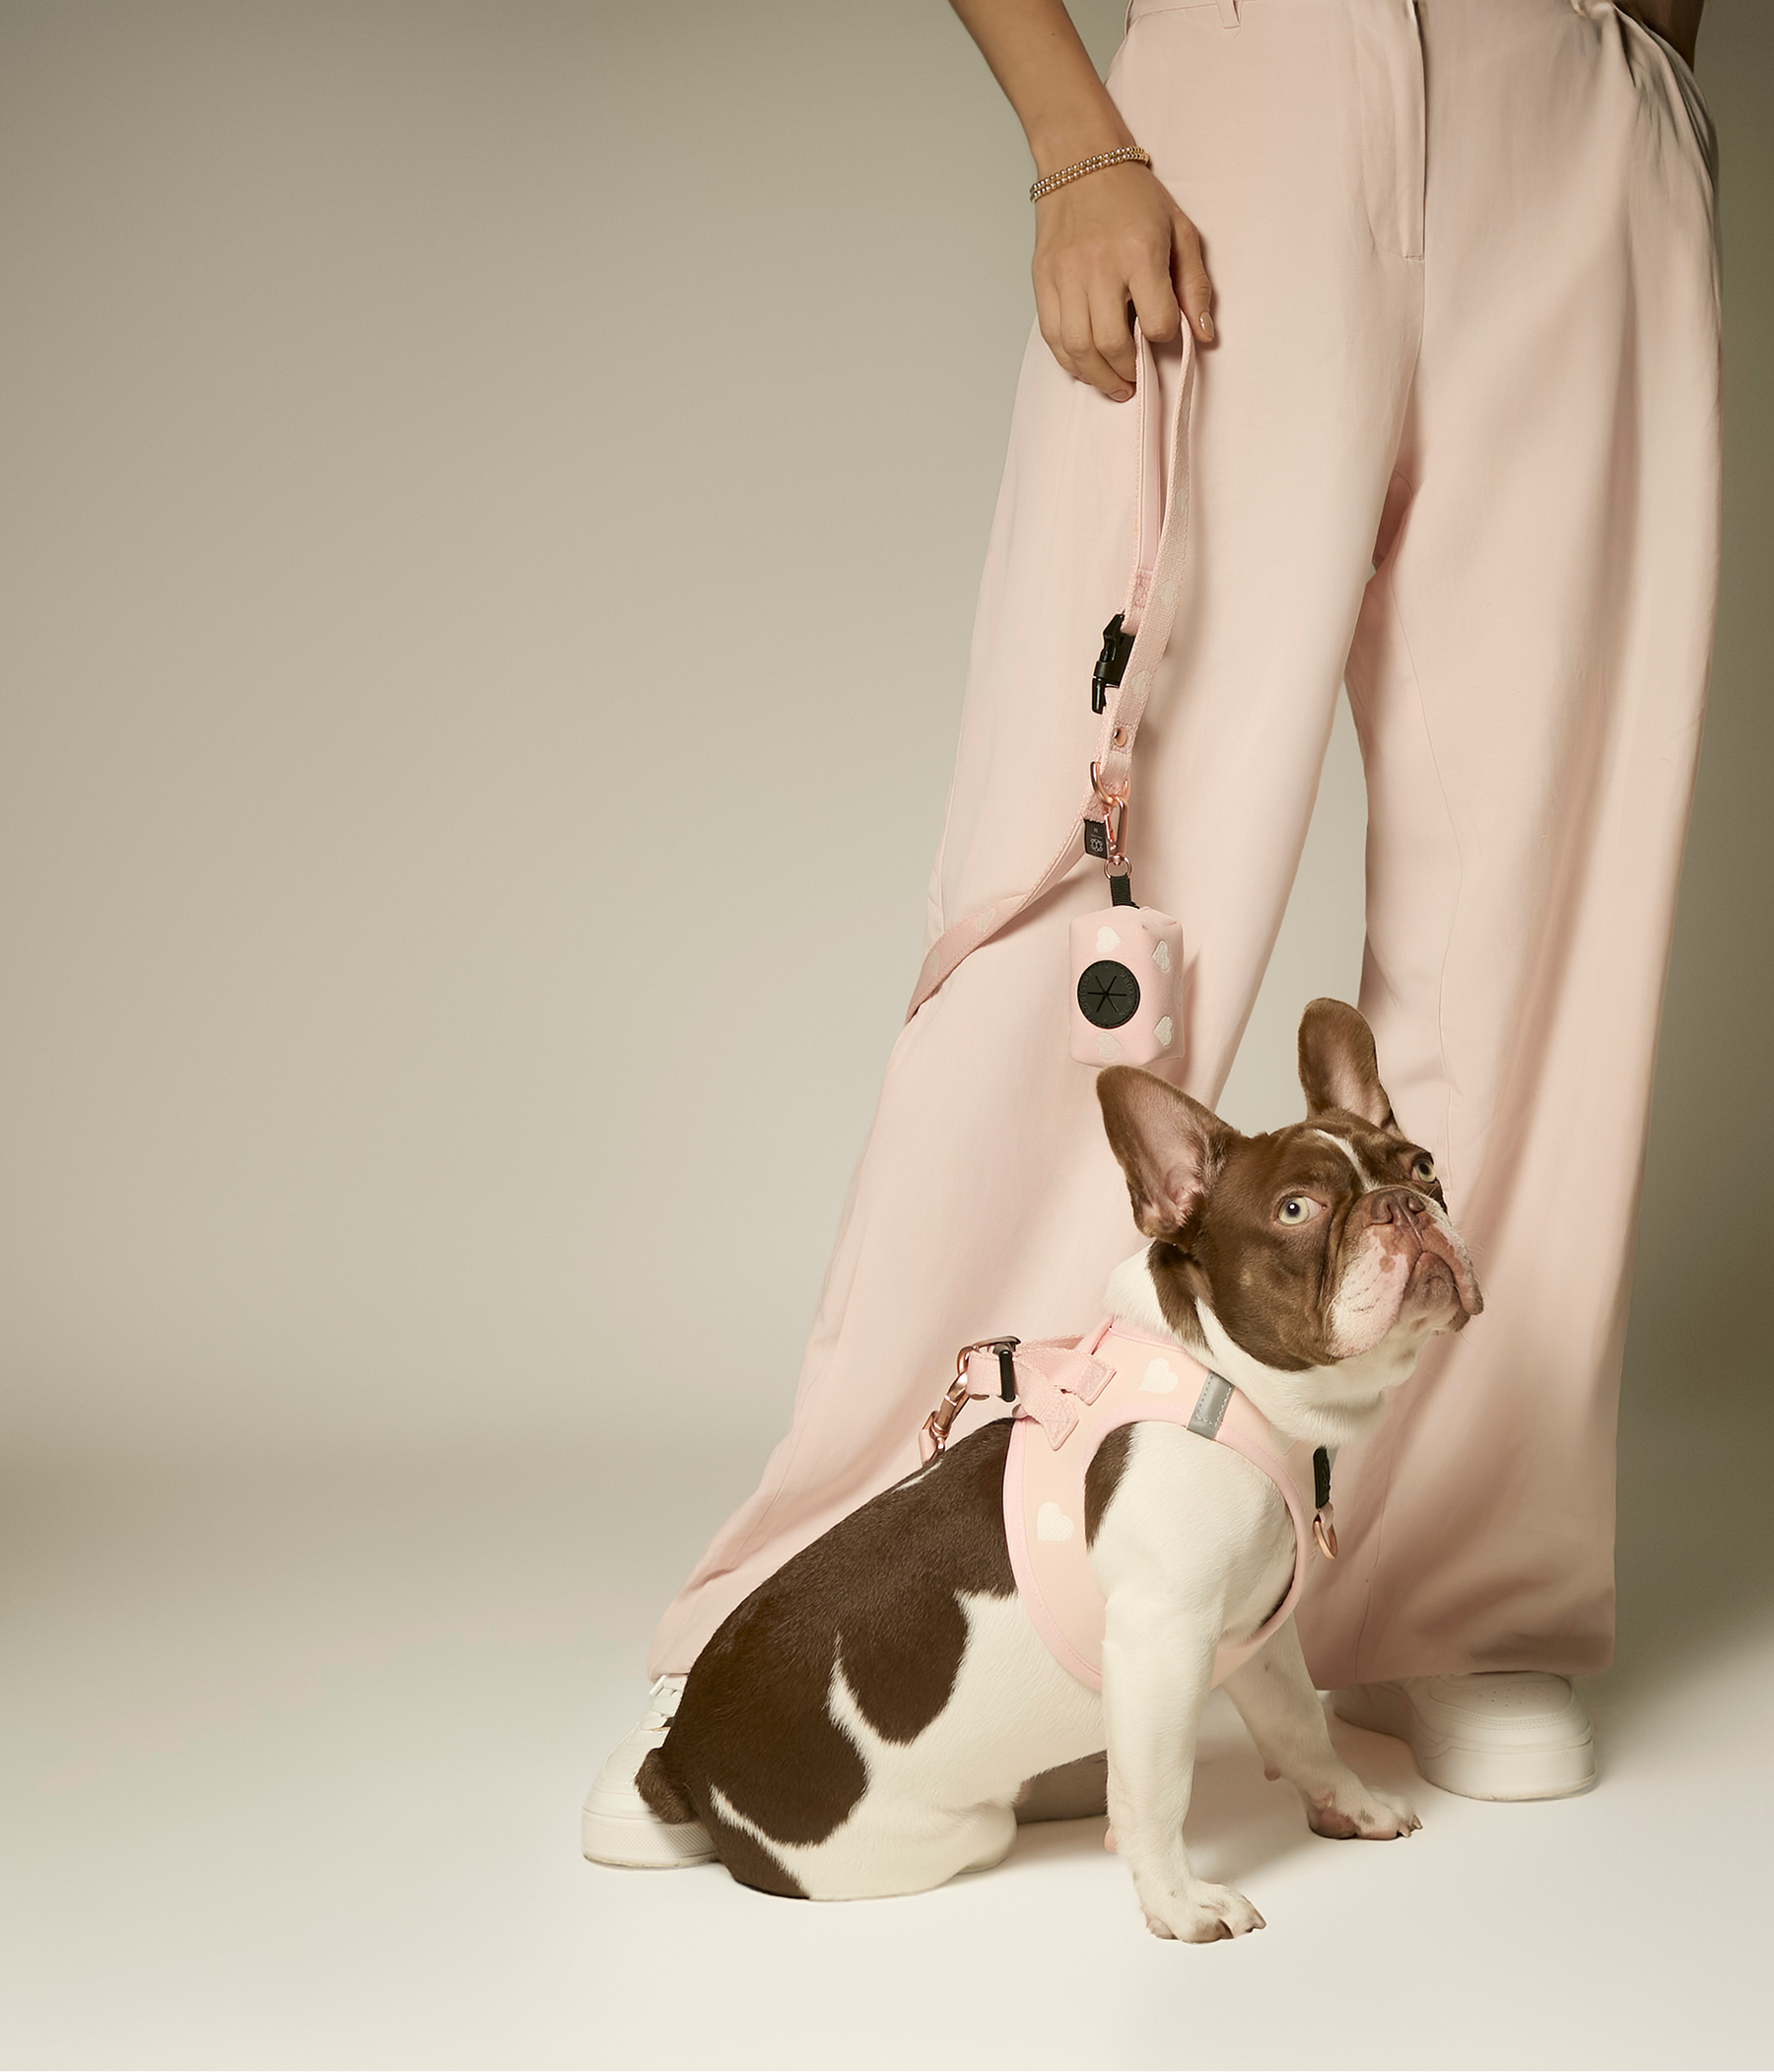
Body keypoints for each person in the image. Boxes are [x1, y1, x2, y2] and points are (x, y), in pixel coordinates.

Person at [584, 0, 1718, 1865]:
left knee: (1551, 882)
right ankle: (857, 1582)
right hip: (1256, 102)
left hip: (1577, 113)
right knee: (1105, 885)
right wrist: (1074, 134)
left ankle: (1456, 1578)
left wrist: (1645, 71)